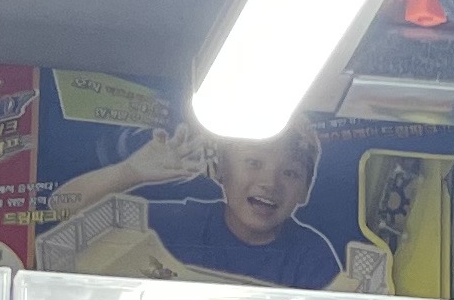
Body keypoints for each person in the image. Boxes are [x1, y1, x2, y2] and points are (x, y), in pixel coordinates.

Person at [47, 122, 379, 290]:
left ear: (305, 192)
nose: (269, 182)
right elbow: (60, 208)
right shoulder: (182, 222)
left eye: (290, 173)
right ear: (220, 171)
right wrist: (129, 171)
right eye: (253, 163)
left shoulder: (310, 254)